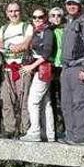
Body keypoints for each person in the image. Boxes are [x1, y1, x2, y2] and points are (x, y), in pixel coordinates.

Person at [59, 0, 84, 145]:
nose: (71, 6)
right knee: (66, 103)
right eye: (69, 4)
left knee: (80, 102)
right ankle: (70, 134)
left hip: (79, 67)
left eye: (74, 4)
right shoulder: (69, 22)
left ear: (80, 6)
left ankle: (81, 136)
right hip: (66, 68)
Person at [0, 2, 33, 138]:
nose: (13, 14)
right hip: (7, 69)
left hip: (22, 68)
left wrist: (14, 46)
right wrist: (11, 45)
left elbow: (25, 44)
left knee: (24, 100)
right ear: (7, 13)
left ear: (20, 12)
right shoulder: (3, 29)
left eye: (16, 11)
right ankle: (10, 129)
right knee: (6, 99)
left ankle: (25, 129)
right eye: (10, 11)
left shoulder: (27, 27)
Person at [19, 8, 56, 142]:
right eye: (34, 17)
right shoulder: (37, 32)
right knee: (46, 102)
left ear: (45, 17)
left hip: (44, 69)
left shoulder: (47, 32)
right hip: (40, 70)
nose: (37, 20)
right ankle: (49, 133)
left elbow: (46, 54)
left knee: (33, 101)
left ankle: (35, 131)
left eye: (40, 17)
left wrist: (31, 66)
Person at [48, 7, 65, 134]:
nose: (56, 18)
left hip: (63, 67)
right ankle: (52, 128)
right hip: (50, 67)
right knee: (51, 99)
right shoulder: (47, 30)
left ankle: (65, 128)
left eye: (58, 15)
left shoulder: (66, 30)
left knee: (63, 99)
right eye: (53, 15)